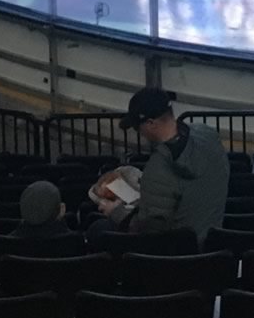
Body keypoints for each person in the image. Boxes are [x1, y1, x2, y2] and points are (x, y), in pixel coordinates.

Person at [97, 87, 228, 239]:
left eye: (137, 127)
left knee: (99, 229)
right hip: (212, 246)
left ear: (151, 123)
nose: (138, 132)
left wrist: (116, 212)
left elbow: (148, 229)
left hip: (176, 256)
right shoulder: (210, 136)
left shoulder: (158, 169)